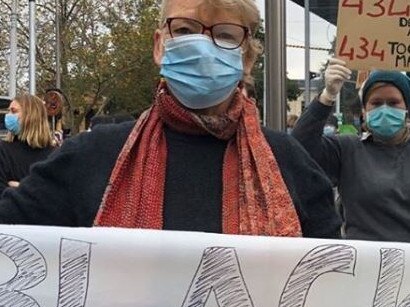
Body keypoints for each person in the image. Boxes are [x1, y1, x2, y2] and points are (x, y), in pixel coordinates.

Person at [0, 0, 340, 239]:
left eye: (224, 35)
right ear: (160, 46)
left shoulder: (289, 162)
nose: (203, 46)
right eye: (185, 29)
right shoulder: (92, 155)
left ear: (247, 57)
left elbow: (334, 283)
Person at [292, 57, 410, 242]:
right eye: (376, 103)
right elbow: (298, 148)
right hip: (364, 264)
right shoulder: (348, 149)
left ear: (407, 109)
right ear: (364, 111)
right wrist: (327, 96)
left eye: (393, 103)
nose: (385, 110)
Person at [0, 94, 55, 193]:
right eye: (8, 111)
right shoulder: (3, 150)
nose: (8, 115)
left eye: (13, 111)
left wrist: (22, 189)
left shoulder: (55, 155)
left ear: (31, 116)